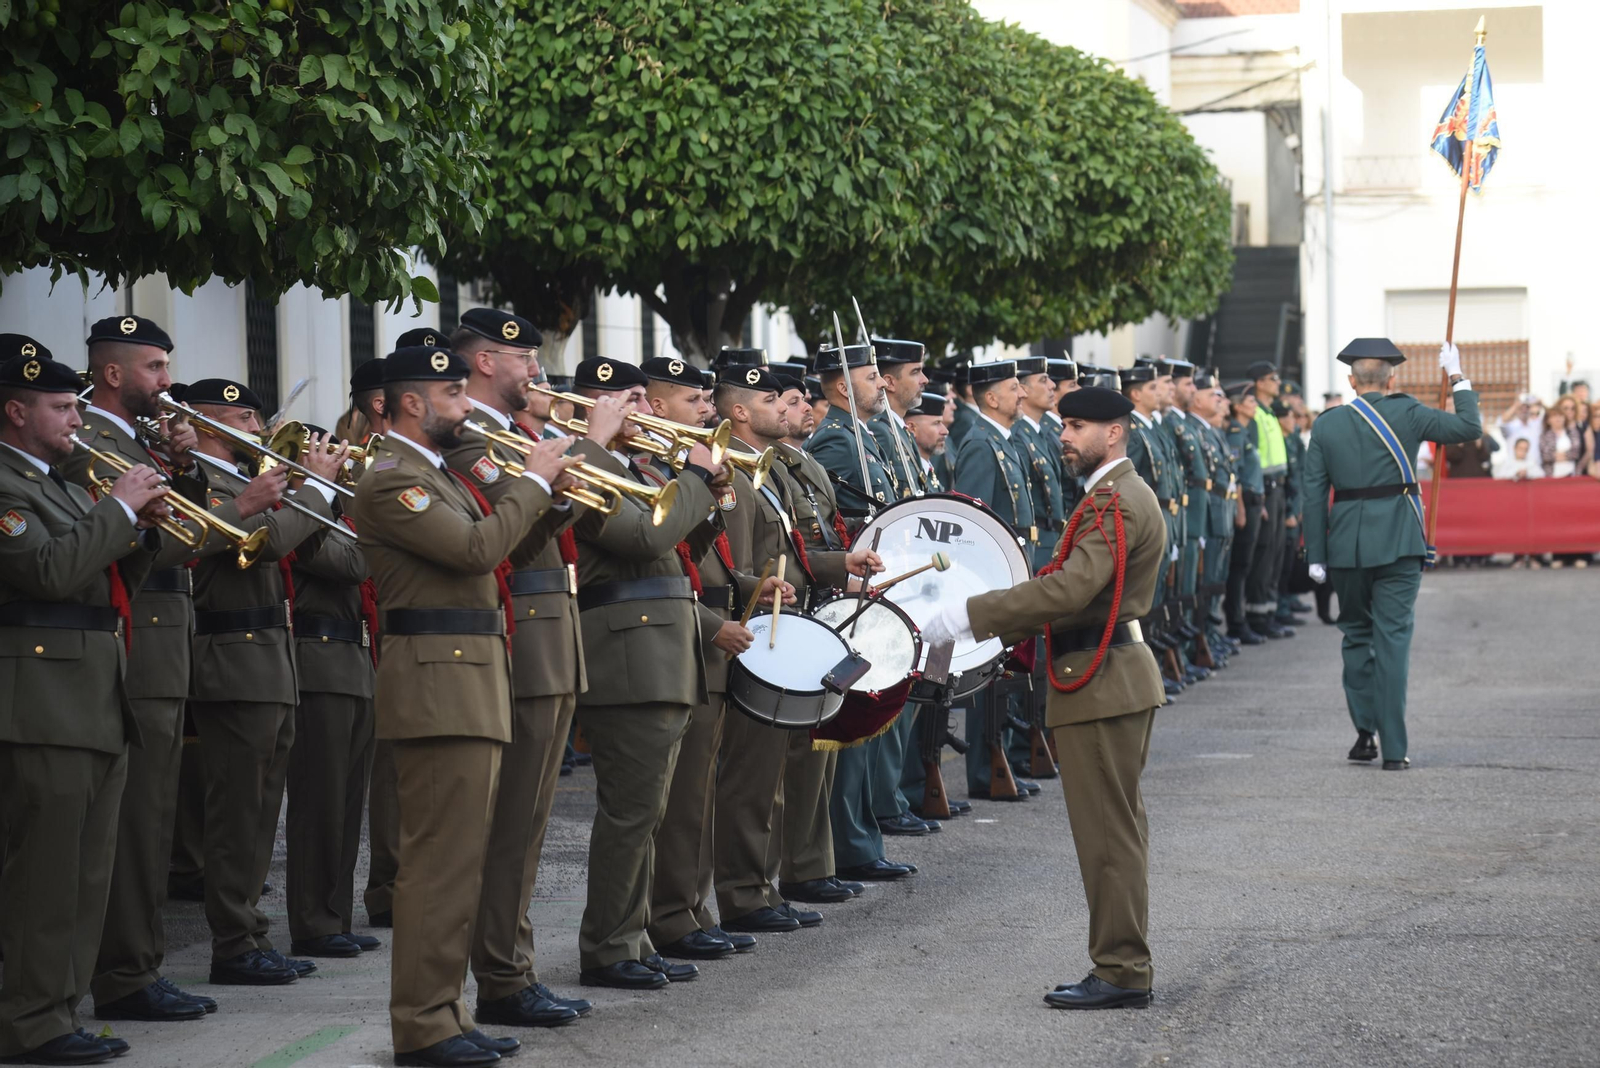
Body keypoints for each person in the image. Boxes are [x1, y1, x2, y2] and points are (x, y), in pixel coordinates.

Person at [353, 344, 577, 1067]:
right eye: (452, 394)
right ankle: (422, 1024)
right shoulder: (394, 478)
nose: (464, 406)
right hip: (436, 681)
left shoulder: (436, 473)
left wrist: (551, 502)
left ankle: (447, 1011)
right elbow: (476, 550)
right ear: (411, 403)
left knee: (461, 862)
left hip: (468, 676)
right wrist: (532, 484)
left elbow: (501, 552)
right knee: (437, 866)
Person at [921, 386, 1166, 1010]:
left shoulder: (1116, 500)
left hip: (1102, 680)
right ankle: (1122, 964)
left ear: (1114, 432)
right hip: (1108, 674)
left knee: (1107, 837)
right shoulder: (1114, 495)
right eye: (1064, 424)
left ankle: (1121, 969)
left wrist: (969, 615)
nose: (1064, 436)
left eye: (1077, 426)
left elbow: (1069, 591)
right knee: (1115, 833)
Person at [61, 318, 232, 1024]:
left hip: (164, 639)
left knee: (152, 814)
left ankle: (137, 964)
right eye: (155, 368)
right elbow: (148, 543)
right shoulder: (92, 441)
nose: (167, 382)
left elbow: (177, 531)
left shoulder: (133, 439)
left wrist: (183, 468)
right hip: (139, 639)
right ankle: (127, 971)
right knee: (138, 820)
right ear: (113, 374)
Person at [0, 348, 167, 1066]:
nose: (77, 419)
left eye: (76, 405)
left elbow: (103, 574)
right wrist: (119, 509)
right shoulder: (6, 485)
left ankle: (61, 1011)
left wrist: (142, 528)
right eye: (63, 407)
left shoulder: (58, 484)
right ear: (16, 411)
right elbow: (48, 571)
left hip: (93, 694)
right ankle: (29, 1021)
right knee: (43, 877)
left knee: (84, 875)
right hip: (42, 703)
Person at [441, 308, 594, 1028]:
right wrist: (584, 454)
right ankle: (502, 974)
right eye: (524, 358)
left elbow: (540, 526)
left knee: (528, 824)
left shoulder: (514, 434)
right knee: (511, 825)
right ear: (483, 362)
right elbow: (507, 536)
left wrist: (564, 479)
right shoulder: (471, 437)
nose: (536, 370)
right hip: (522, 633)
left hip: (551, 634)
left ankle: (511, 968)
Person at [565, 356, 727, 992]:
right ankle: (608, 946)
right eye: (629, 399)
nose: (643, 410)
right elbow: (642, 540)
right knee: (631, 814)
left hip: (659, 651)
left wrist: (706, 496)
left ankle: (631, 937)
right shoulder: (588, 464)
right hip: (627, 656)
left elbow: (676, 551)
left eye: (642, 396)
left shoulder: (638, 468)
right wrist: (694, 479)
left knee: (649, 813)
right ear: (594, 405)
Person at [182, 379, 346, 987]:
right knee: (236, 812)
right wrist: (314, 490)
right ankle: (232, 942)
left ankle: (249, 932)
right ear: (204, 423)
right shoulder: (205, 483)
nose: (257, 428)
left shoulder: (247, 479)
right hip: (232, 654)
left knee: (259, 812)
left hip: (270, 655)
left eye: (255, 417)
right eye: (241, 418)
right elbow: (271, 542)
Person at [1303, 339, 1482, 771]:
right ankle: (1395, 749)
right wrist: (1456, 376)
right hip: (1401, 540)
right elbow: (1469, 427)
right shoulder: (1409, 411)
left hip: (1346, 545)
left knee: (1356, 635)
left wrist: (1315, 553)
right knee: (1393, 640)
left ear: (1351, 381)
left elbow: (1313, 493)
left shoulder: (1327, 424)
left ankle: (1365, 732)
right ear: (1392, 379)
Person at [634, 355, 757, 961]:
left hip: (697, 629)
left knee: (696, 790)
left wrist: (712, 492)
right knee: (677, 797)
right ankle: (669, 915)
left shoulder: (681, 467)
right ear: (658, 406)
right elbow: (655, 561)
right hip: (675, 636)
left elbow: (692, 553)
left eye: (707, 399)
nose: (706, 409)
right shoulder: (652, 469)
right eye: (693, 401)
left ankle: (690, 907)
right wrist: (714, 626)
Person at [283, 427, 376, 963]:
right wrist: (328, 494)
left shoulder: (332, 511)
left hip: (354, 659)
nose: (343, 467)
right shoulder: (300, 513)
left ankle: (334, 915)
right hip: (319, 662)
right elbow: (356, 562)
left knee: (346, 802)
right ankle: (313, 922)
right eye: (329, 459)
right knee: (319, 801)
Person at [1244, 361, 1293, 639]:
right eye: (1273, 379)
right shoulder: (1256, 416)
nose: (1278, 383)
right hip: (1264, 490)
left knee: (1275, 554)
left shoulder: (1270, 412)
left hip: (1278, 489)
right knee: (1263, 556)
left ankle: (1270, 613)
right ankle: (1257, 615)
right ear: (1260, 383)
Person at [1223, 384, 1265, 644]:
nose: (1255, 405)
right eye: (1250, 401)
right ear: (1237, 406)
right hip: (1245, 503)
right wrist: (1240, 509)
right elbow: (1235, 475)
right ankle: (1236, 623)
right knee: (1239, 566)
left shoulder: (1246, 431)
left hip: (1254, 502)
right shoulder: (1236, 433)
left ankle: (1241, 620)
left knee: (1246, 564)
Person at [1540, 408, 1581, 478]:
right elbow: (1545, 456)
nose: (1558, 418)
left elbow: (1576, 452)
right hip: (1551, 474)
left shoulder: (1572, 432)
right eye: (1554, 416)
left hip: (1571, 473)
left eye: (1560, 415)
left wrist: (1560, 456)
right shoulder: (1544, 435)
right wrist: (1565, 456)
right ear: (1548, 420)